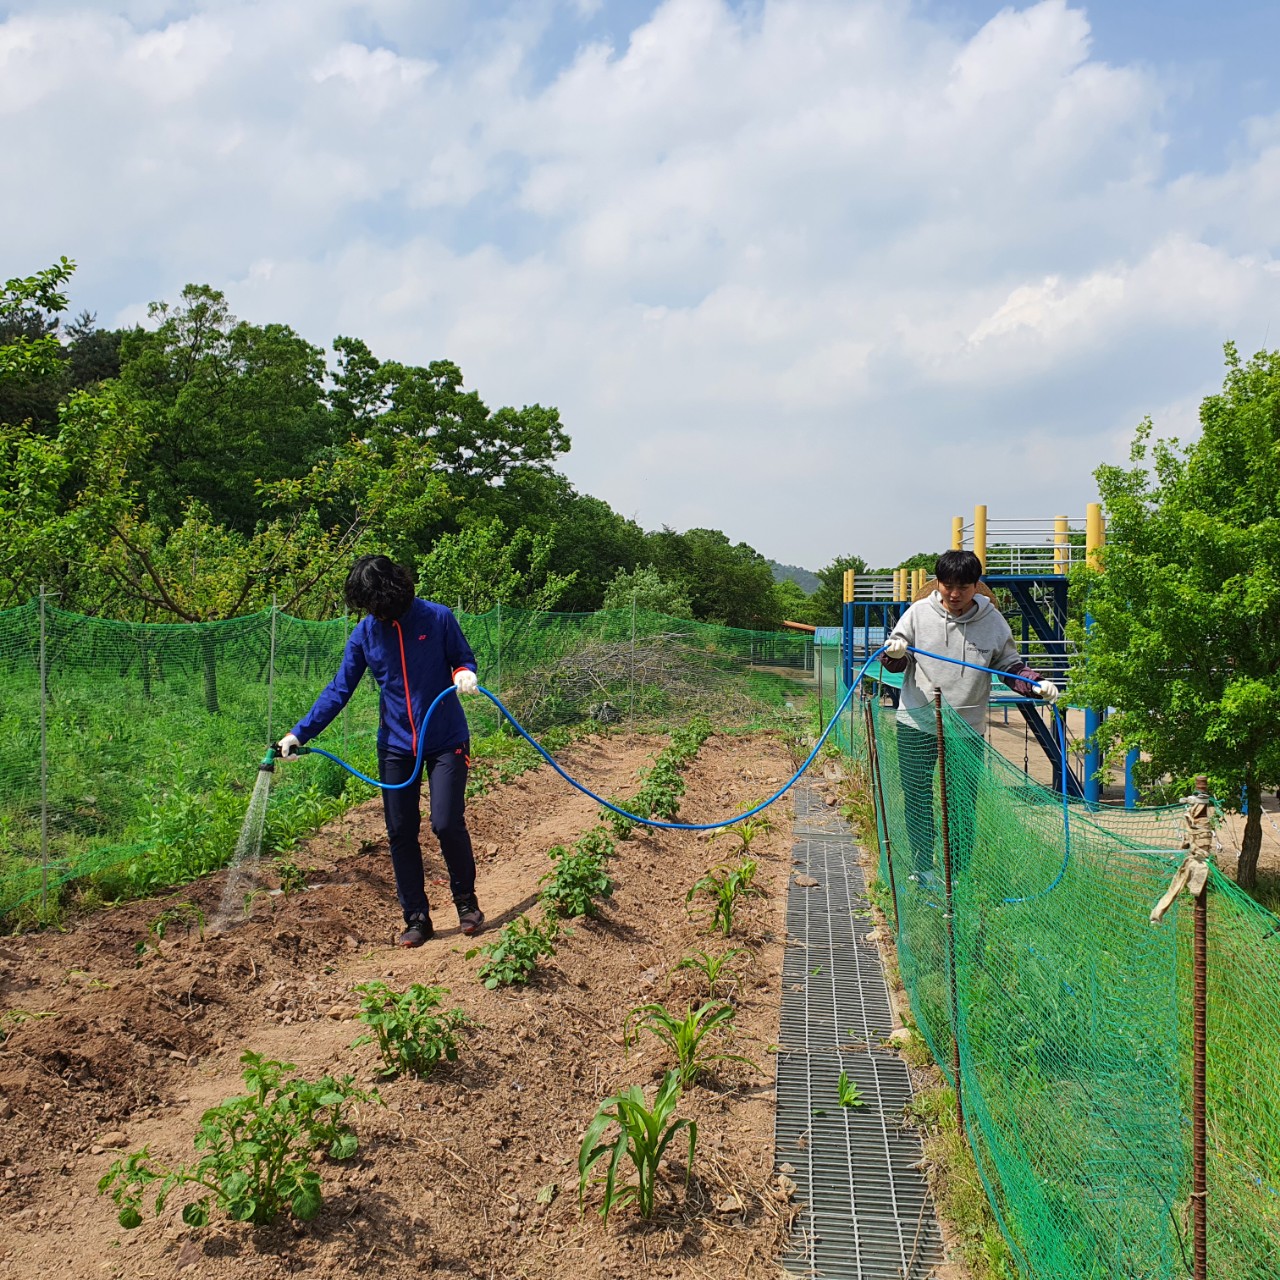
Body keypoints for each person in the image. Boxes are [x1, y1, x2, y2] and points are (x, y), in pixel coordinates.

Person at [278, 555, 484, 947]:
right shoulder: (365, 634)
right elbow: (339, 690)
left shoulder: (438, 618)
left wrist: (463, 673)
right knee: (400, 832)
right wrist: (298, 734)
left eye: (379, 606)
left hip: (445, 739)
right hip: (395, 746)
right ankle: (417, 917)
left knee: (445, 822)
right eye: (369, 608)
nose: (377, 614)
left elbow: (462, 658)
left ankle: (465, 901)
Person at [879, 550, 1059, 885]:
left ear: (976, 585)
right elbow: (893, 658)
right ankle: (923, 870)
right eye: (947, 585)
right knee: (917, 798)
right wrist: (894, 654)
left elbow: (1010, 666)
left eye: (962, 586)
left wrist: (1036, 685)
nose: (954, 593)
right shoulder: (918, 614)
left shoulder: (992, 622)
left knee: (961, 806)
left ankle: (956, 876)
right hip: (917, 724)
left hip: (966, 730)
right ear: (939, 583)